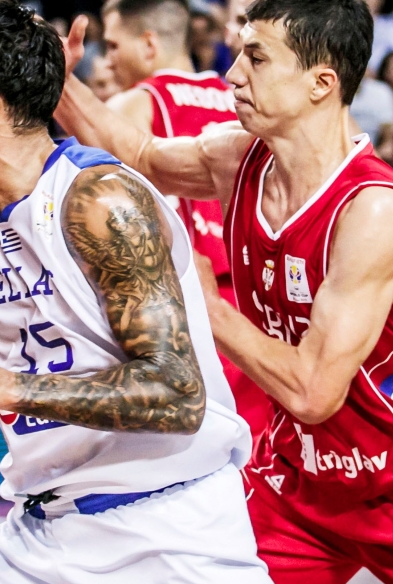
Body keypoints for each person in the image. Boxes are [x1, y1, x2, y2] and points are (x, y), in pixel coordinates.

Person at [55, 0, 393, 584]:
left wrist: (204, 305)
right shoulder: (240, 158)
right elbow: (142, 152)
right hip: (302, 487)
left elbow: (314, 391)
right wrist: (58, 84)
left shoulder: (373, 211)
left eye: (256, 58)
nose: (232, 74)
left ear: (322, 83)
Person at [0, 2, 284, 584]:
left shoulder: (102, 200)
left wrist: (7, 387)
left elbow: (177, 394)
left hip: (175, 535)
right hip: (39, 538)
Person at [100, 0, 268, 420]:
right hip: (263, 301)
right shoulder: (245, 99)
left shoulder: (133, 106)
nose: (108, 60)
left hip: (192, 307)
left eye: (113, 45)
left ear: (149, 44)